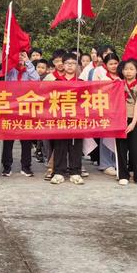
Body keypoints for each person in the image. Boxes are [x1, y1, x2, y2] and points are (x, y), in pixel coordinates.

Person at [2, 51, 40, 177]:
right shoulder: (10, 70)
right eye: (17, 56)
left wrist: (27, 62)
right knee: (8, 141)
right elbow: (4, 76)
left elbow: (36, 80)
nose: (20, 58)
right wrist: (10, 60)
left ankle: (26, 166)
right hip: (11, 109)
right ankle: (7, 167)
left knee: (26, 141)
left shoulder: (29, 71)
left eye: (22, 56)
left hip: (25, 109)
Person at [50, 53, 85, 186]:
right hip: (60, 119)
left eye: (73, 63)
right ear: (62, 65)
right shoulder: (57, 82)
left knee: (76, 146)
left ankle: (75, 171)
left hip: (77, 119)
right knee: (60, 145)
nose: (70, 66)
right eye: (67, 63)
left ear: (77, 66)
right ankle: (59, 171)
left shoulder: (81, 82)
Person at [116, 59, 137, 186]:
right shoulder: (118, 84)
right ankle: (123, 175)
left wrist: (133, 122)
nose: (128, 72)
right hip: (119, 119)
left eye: (131, 69)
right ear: (122, 71)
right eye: (125, 69)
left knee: (136, 148)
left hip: (135, 119)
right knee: (121, 147)